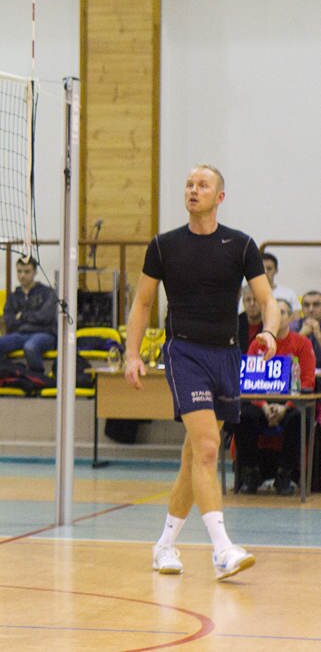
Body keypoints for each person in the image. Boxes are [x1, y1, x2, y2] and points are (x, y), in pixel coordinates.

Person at [124, 164, 278, 581]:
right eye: (189, 184)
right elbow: (142, 303)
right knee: (209, 448)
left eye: (203, 185)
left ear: (219, 196)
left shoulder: (241, 245)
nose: (194, 190)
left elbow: (268, 301)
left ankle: (164, 545)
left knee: (195, 454)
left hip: (226, 356)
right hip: (184, 352)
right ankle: (222, 549)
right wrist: (132, 354)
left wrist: (268, 332)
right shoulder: (164, 246)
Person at [232, 298, 316, 495]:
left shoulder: (302, 344)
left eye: (282, 313)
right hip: (261, 402)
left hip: (291, 403)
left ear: (291, 317)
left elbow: (307, 382)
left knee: (299, 419)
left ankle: (284, 474)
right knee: (243, 416)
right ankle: (250, 472)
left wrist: (285, 407)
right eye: (273, 313)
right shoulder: (257, 344)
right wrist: (263, 405)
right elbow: (249, 382)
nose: (277, 317)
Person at [0, 256, 58, 378]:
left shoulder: (47, 292)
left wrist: (22, 316)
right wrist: (31, 318)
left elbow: (45, 317)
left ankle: (38, 379)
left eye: (27, 272)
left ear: (35, 272)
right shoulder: (14, 296)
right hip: (20, 334)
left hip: (44, 334)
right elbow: (9, 321)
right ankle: (5, 375)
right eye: (19, 271)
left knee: (30, 347)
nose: (22, 275)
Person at [290, 290, 321, 359]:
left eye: (316, 305)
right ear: (302, 308)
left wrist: (318, 334)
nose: (311, 309)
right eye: (306, 305)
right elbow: (286, 355)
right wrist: (301, 334)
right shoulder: (293, 326)